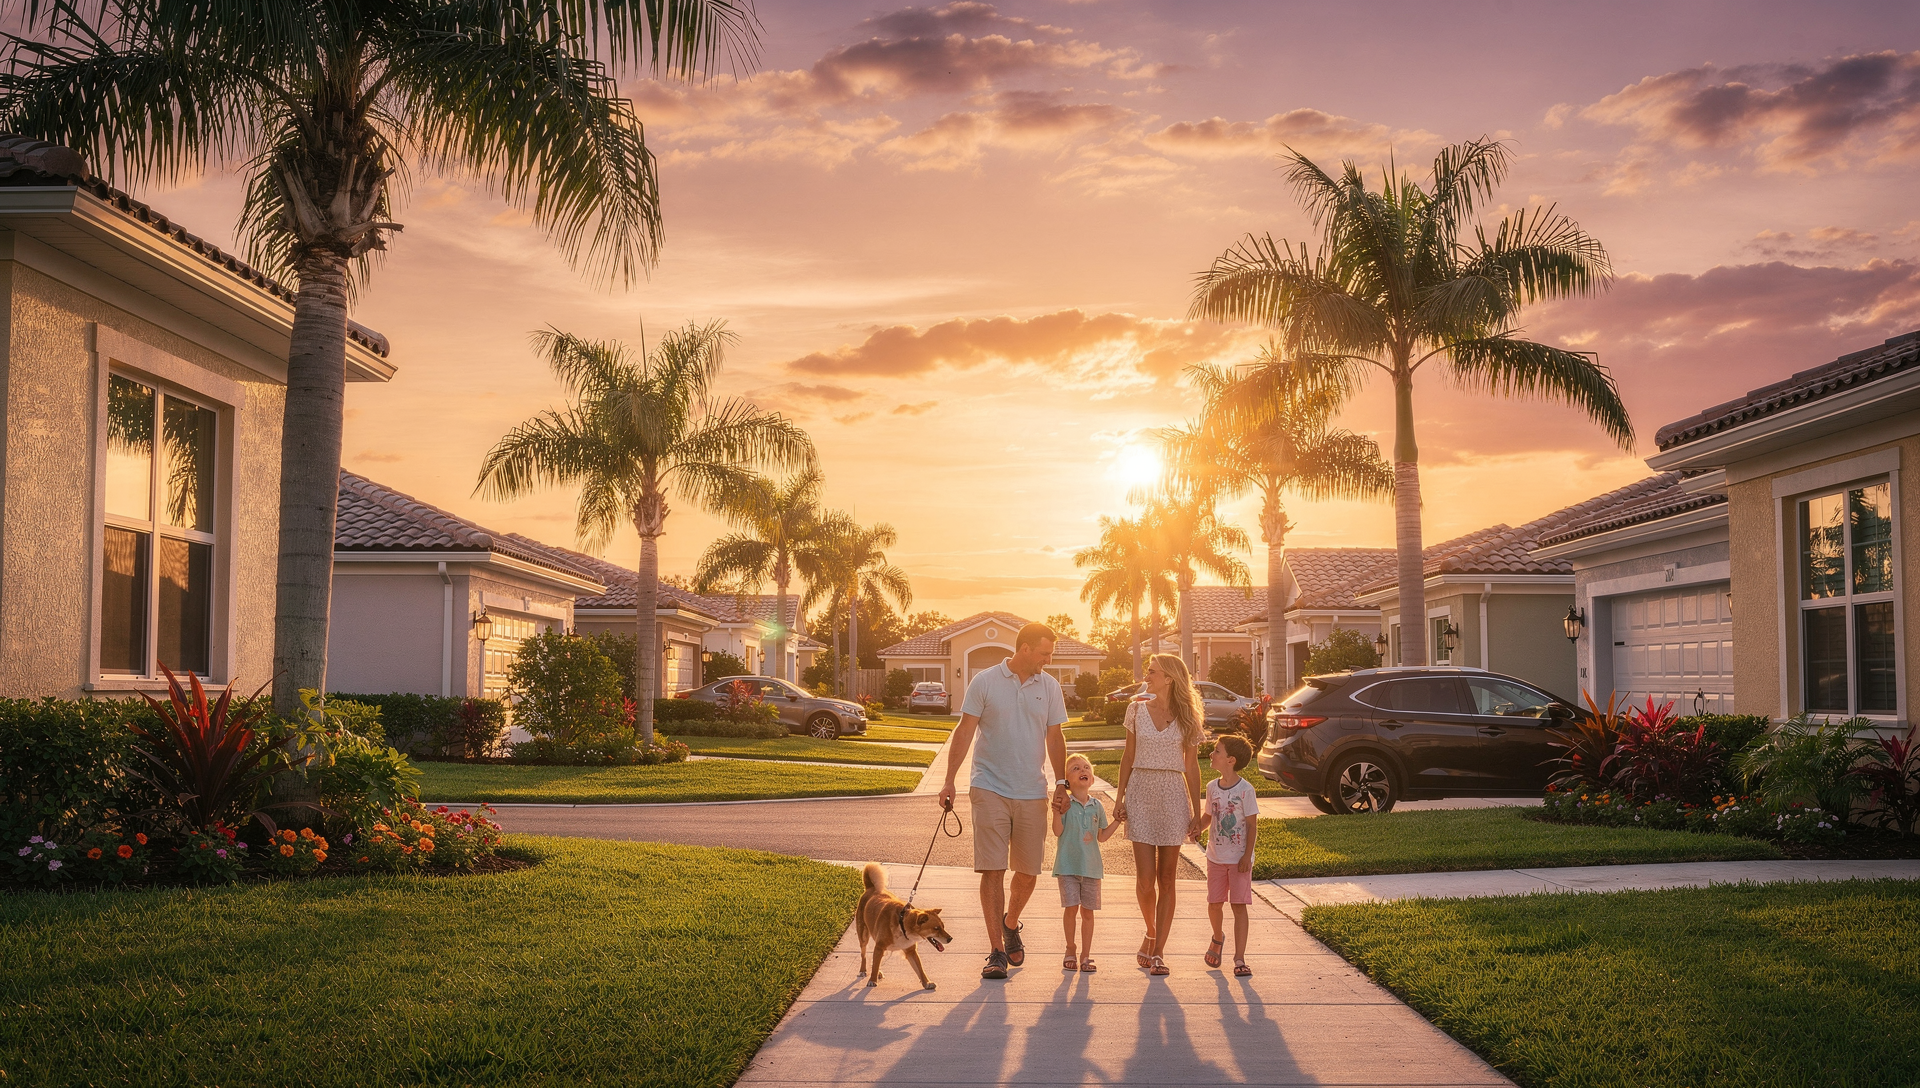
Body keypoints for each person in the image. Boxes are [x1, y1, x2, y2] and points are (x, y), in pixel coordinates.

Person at [937, 622, 1070, 980]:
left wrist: (1061, 783)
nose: (1048, 659)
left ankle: (1010, 923)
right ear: (1024, 649)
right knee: (993, 868)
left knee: (1028, 872)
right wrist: (949, 780)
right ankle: (996, 949)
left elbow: (1055, 736)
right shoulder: (985, 681)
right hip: (989, 786)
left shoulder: (1050, 686)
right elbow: (964, 731)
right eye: (1044, 653)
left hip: (1031, 789)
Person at [1112, 652, 1205, 977]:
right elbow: (1128, 754)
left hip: (1172, 794)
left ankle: (1159, 952)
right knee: (1144, 879)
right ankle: (1150, 930)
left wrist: (1196, 811)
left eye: (1153, 672)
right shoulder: (1136, 708)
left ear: (1169, 678)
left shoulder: (1189, 717)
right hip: (1141, 791)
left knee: (1167, 878)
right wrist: (1120, 797)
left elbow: (1191, 766)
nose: (1146, 675)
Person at [1051, 752, 1119, 972]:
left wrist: (1118, 820)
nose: (1083, 771)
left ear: (1092, 777)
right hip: (1067, 866)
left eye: (1086, 767)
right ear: (1067, 781)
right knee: (1071, 909)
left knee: (1087, 913)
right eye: (1076, 768)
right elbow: (1057, 831)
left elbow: (1102, 836)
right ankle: (1070, 948)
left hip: (1091, 868)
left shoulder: (1097, 805)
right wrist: (1054, 813)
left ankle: (1085, 955)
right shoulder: (1064, 803)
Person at [1200, 734, 1259, 977]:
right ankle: (1217, 936)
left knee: (1238, 906)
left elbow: (1252, 825)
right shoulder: (1212, 787)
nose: (1212, 754)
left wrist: (1247, 855)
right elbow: (1208, 817)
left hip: (1238, 861)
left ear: (1231, 760)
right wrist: (1195, 828)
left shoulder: (1246, 790)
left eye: (1217, 751)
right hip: (1215, 857)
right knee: (1214, 904)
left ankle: (1239, 958)